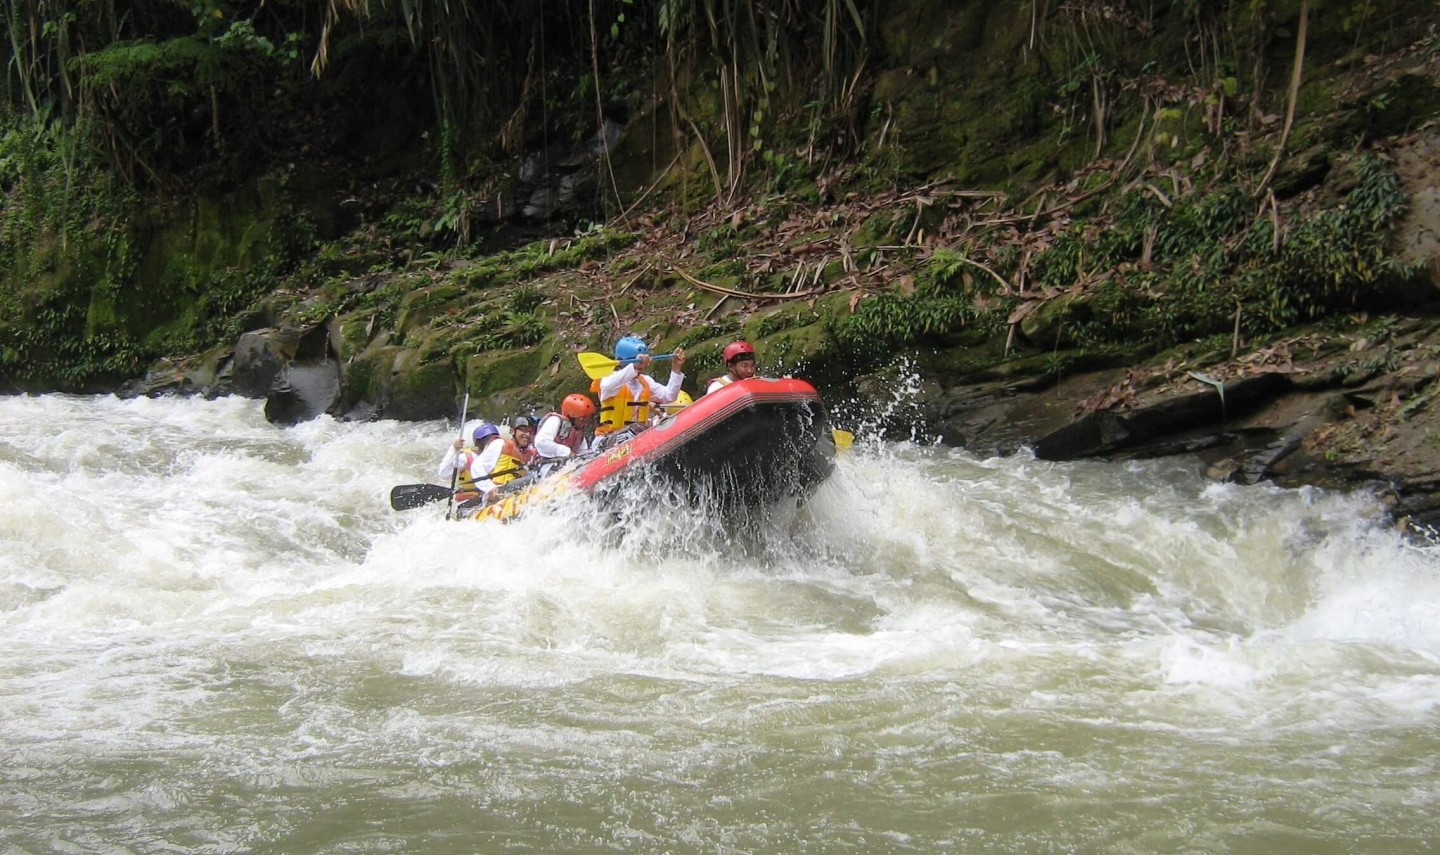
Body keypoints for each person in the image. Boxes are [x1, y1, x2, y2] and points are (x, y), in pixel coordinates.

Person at [593, 335, 686, 446]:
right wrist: (633, 366)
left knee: (639, 427)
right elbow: (607, 386)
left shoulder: (645, 382)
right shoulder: (609, 379)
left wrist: (676, 368)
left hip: (634, 437)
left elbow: (669, 395)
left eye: (642, 362)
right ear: (621, 361)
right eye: (638, 361)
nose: (641, 365)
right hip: (607, 438)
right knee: (635, 428)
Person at [437, 421, 529, 511]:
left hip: (485, 499)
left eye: (491, 440)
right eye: (485, 440)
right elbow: (444, 473)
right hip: (466, 502)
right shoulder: (466, 457)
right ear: (478, 443)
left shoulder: (498, 457)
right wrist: (453, 449)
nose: (489, 444)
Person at [534, 393, 597, 467]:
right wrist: (567, 452)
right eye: (583, 419)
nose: (586, 422)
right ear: (571, 416)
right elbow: (541, 442)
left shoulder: (579, 432)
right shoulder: (555, 421)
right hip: (546, 466)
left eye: (588, 418)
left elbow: (582, 453)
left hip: (566, 467)